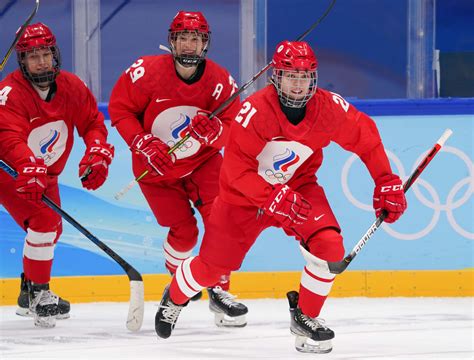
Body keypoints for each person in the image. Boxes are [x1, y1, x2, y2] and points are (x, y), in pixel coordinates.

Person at [155, 40, 407, 352]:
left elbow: (365, 137)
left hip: (298, 187)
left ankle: (305, 317)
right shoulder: (256, 111)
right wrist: (271, 197)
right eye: (291, 76)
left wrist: (386, 181)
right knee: (212, 269)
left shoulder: (328, 108)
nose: (298, 84)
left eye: (304, 77)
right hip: (242, 200)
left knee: (329, 244)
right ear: (276, 77)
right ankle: (174, 296)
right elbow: (235, 172)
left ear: (313, 78)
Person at [108, 11, 248, 328]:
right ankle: (178, 282)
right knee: (185, 234)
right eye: (184, 37)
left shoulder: (220, 80)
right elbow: (120, 109)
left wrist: (214, 133)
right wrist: (141, 140)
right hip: (155, 169)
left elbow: (234, 128)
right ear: (172, 40)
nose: (189, 44)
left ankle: (219, 291)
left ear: (205, 44)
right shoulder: (145, 73)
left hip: (204, 164)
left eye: (196, 38)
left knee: (222, 223)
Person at [0, 23, 114, 328]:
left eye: (45, 53)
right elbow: (8, 138)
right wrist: (26, 162)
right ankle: (38, 293)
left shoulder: (72, 86)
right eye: (32, 55)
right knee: (45, 223)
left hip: (43, 173)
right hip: (9, 170)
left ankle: (29, 293)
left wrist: (96, 150)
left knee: (50, 228)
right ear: (21, 61)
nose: (40, 61)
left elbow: (92, 122)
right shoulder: (11, 93)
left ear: (55, 54)